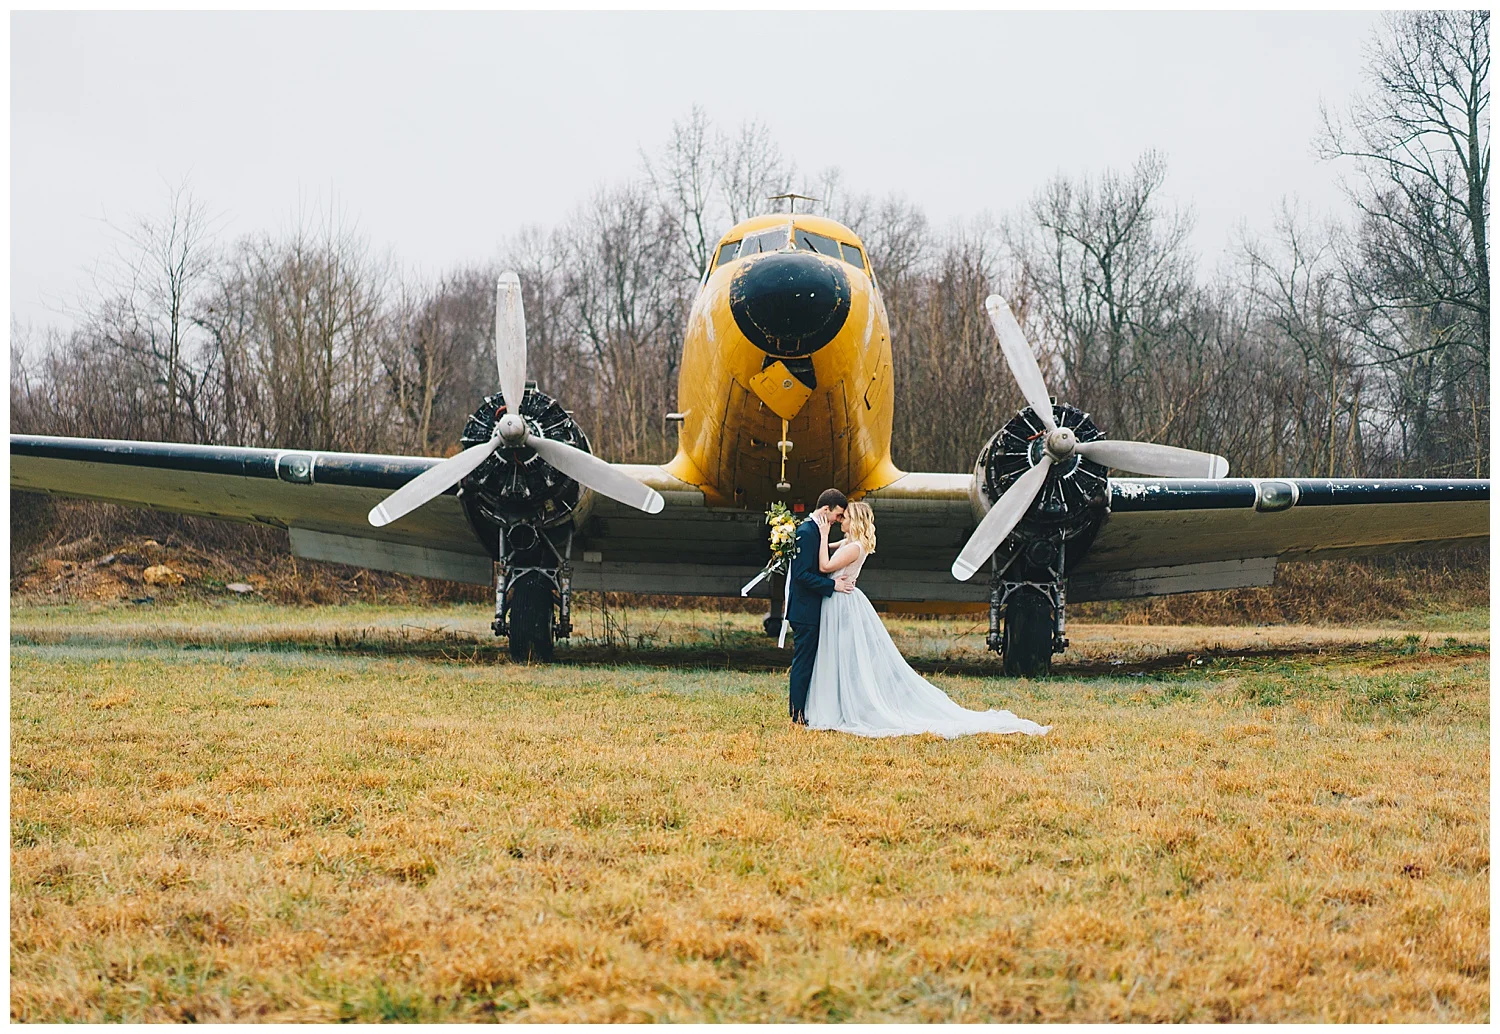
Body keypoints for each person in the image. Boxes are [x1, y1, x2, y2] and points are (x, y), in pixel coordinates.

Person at [804, 500, 1051, 739]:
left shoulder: (853, 547)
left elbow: (825, 566)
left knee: (844, 654)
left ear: (854, 520)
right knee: (840, 653)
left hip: (842, 602)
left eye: (844, 518)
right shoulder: (852, 543)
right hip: (842, 600)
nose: (840, 521)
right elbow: (834, 547)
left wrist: (823, 533)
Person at [785, 488, 854, 725]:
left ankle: (806, 710)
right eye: (838, 515)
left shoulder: (816, 531)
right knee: (803, 662)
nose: (838, 520)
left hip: (811, 608)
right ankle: (797, 714)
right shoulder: (807, 532)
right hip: (805, 610)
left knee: (810, 661)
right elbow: (802, 575)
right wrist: (831, 585)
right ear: (826, 510)